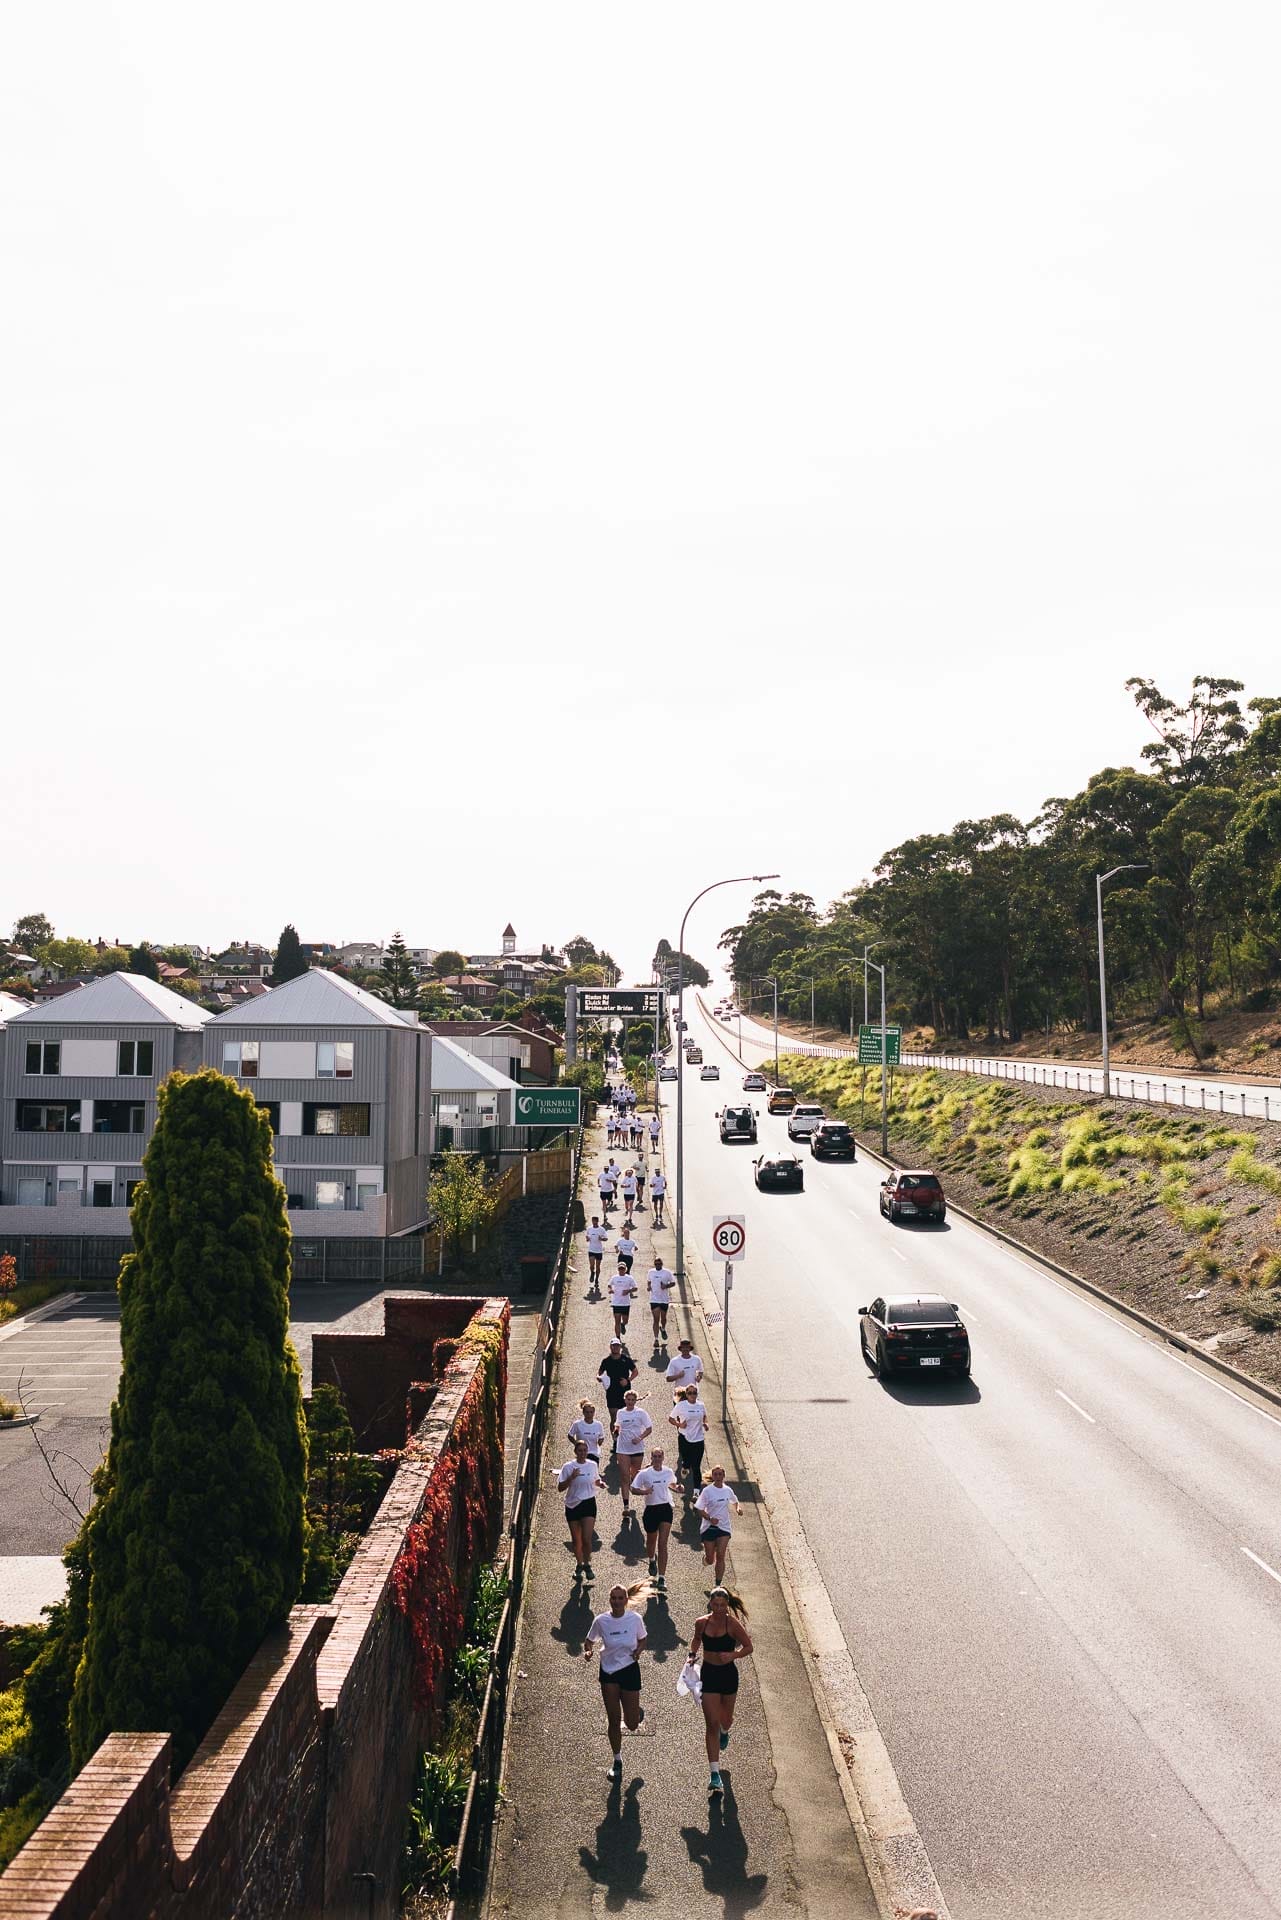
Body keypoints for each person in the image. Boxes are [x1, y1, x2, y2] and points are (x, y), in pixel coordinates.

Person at [690, 1586, 752, 1794]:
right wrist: (692, 1654)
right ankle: (714, 1774)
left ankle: (725, 1731)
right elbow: (697, 1639)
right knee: (711, 1724)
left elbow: (748, 1646)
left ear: (727, 1606)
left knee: (726, 1719)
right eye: (715, 1605)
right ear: (710, 1603)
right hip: (709, 1674)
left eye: (722, 1606)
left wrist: (733, 1656)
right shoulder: (702, 1622)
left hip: (728, 1675)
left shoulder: (732, 1624)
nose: (718, 1609)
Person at [585, 1583, 650, 1780]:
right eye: (614, 1598)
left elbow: (643, 1639)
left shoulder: (635, 1619)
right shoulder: (601, 1621)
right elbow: (589, 1640)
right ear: (609, 1600)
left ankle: (636, 1711)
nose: (617, 1601)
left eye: (620, 1598)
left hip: (629, 1669)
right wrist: (588, 1651)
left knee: (631, 1725)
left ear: (626, 1600)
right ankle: (617, 1760)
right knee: (614, 1719)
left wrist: (638, 1651)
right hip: (608, 1672)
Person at [557, 1439, 604, 1582]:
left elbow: (595, 1480)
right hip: (573, 1505)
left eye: (585, 1450)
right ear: (575, 1452)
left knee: (587, 1539)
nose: (582, 1453)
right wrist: (571, 1477)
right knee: (576, 1540)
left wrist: (600, 1483)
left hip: (588, 1503)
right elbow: (560, 1488)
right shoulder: (568, 1466)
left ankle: (587, 1564)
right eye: (580, 1450)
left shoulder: (592, 1465)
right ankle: (578, 1565)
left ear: (587, 1451)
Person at [632, 1446, 678, 1589]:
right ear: (651, 1458)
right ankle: (652, 1560)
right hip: (651, 1510)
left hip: (665, 1508)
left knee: (662, 1544)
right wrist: (644, 1491)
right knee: (651, 1542)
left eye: (659, 1456)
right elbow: (633, 1489)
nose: (657, 1459)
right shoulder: (644, 1474)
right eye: (655, 1456)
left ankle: (662, 1578)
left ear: (663, 1458)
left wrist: (678, 1488)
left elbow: (673, 1484)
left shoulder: (668, 1472)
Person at [694, 1465, 742, 1585]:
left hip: (724, 1527)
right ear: (712, 1476)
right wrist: (709, 1518)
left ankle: (718, 1584)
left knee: (721, 1555)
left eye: (720, 1474)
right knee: (711, 1560)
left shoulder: (727, 1490)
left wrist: (738, 1509)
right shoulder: (707, 1491)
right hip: (709, 1527)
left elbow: (735, 1501)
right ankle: (707, 1559)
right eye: (715, 1474)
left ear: (724, 1476)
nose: (718, 1476)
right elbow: (699, 1509)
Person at [614, 1391, 653, 1513]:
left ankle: (633, 1480)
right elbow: (618, 1425)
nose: (630, 1402)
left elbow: (649, 1428)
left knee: (635, 1475)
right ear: (625, 1400)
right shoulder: (620, 1412)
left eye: (632, 1400)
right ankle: (626, 1506)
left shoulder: (641, 1413)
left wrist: (640, 1438)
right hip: (623, 1448)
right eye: (628, 1399)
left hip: (637, 1448)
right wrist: (616, 1431)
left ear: (635, 1401)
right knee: (624, 1477)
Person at [669, 1383, 709, 1497]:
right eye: (690, 1393)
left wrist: (705, 1424)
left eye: (694, 1393)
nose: (692, 1395)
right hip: (684, 1438)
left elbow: (705, 1416)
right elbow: (670, 1418)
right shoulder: (681, 1405)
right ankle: (685, 1466)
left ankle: (696, 1493)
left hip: (698, 1439)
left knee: (696, 1466)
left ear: (697, 1394)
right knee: (686, 1460)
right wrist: (679, 1424)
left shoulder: (701, 1405)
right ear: (686, 1394)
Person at [598, 1337, 638, 1444]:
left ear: (620, 1347)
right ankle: (615, 1440)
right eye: (613, 1345)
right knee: (614, 1416)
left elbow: (635, 1372)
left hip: (624, 1392)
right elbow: (599, 1373)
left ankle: (624, 1437)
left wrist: (628, 1380)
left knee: (624, 1416)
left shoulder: (626, 1359)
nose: (615, 1347)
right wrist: (600, 1378)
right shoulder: (606, 1361)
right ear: (610, 1347)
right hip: (611, 1392)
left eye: (617, 1345)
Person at [647, 1257, 676, 1343]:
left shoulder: (667, 1272)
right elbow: (649, 1281)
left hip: (664, 1299)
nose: (657, 1265)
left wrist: (666, 1286)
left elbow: (673, 1283)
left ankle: (663, 1328)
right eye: (656, 1264)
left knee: (663, 1318)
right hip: (654, 1299)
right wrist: (648, 1287)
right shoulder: (651, 1272)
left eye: (659, 1264)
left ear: (662, 1264)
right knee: (656, 1319)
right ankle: (656, 1339)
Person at [608, 1265, 638, 1342]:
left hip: (625, 1303)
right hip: (616, 1303)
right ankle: (618, 1338)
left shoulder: (629, 1278)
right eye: (620, 1268)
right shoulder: (614, 1278)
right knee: (616, 1321)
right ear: (618, 1269)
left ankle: (623, 1324)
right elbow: (609, 1285)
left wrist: (628, 1291)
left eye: (623, 1268)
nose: (621, 1270)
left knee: (625, 1321)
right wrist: (610, 1289)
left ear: (625, 1269)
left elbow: (635, 1288)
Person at [584, 1216, 609, 1292]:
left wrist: (601, 1239)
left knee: (598, 1266)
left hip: (599, 1250)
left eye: (595, 1221)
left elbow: (606, 1238)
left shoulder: (601, 1229)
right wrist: (587, 1239)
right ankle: (592, 1272)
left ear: (597, 1221)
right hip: (591, 1249)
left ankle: (597, 1279)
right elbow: (587, 1236)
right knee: (592, 1265)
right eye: (593, 1221)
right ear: (592, 1221)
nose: (594, 1223)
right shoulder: (589, 1229)